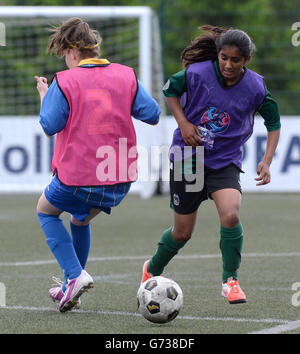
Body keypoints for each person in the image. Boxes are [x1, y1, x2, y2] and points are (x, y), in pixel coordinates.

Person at [141, 25, 281, 304]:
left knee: (231, 214)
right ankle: (151, 269)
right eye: (224, 58)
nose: (228, 65)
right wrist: (183, 122)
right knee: (182, 233)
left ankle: (230, 281)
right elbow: (170, 89)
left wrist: (267, 161)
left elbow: (273, 123)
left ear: (246, 61)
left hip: (224, 160)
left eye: (235, 60)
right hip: (187, 158)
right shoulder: (196, 74)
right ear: (217, 55)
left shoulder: (255, 86)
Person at [34, 17, 160, 313]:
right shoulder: (126, 75)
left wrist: (44, 95)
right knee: (79, 219)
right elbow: (153, 114)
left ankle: (75, 275)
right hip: (119, 178)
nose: (66, 61)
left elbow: (49, 126)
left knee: (46, 211)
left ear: (73, 51)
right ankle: (70, 286)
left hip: (78, 176)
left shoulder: (64, 81)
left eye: (65, 54)